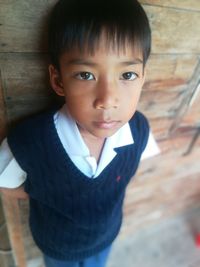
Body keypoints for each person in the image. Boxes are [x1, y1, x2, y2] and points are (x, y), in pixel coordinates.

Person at [0, 0, 160, 266]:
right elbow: (5, 182)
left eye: (128, 74)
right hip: (58, 247)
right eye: (85, 75)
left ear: (143, 76)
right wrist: (43, 191)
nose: (108, 100)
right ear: (58, 80)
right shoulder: (31, 141)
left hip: (106, 237)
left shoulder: (139, 130)